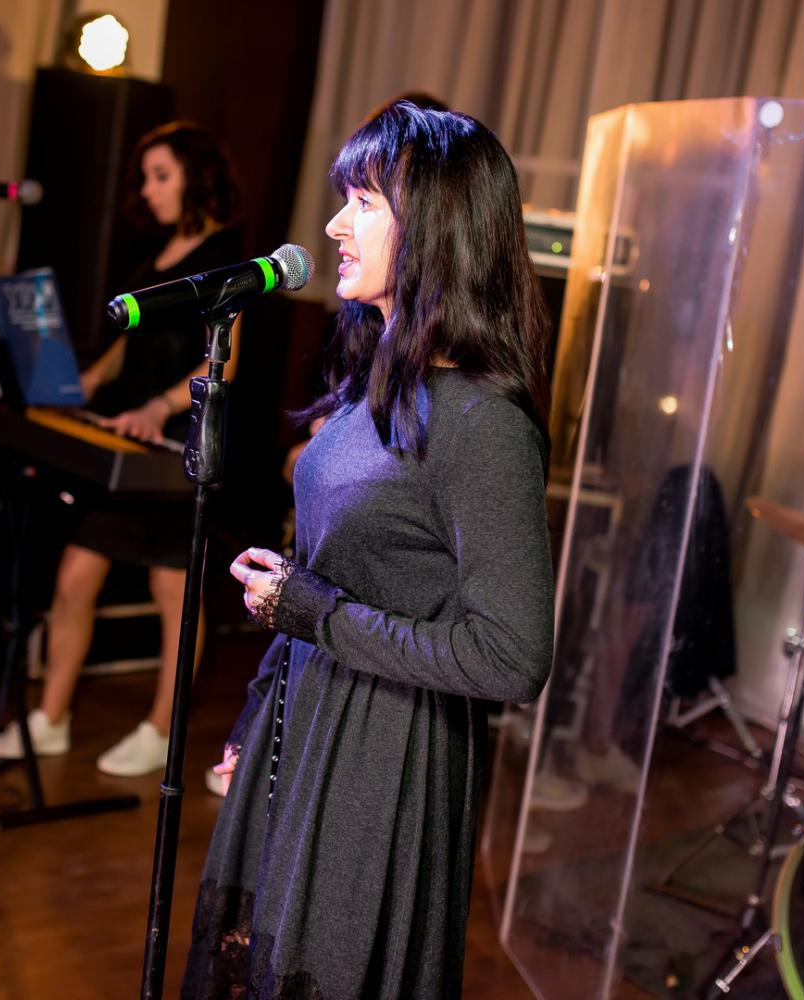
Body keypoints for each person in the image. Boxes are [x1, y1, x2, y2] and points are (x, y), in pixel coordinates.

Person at [182, 102, 555, 998]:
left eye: (363, 202)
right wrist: (257, 718)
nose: (334, 227)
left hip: (385, 763)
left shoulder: (483, 423)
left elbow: (512, 657)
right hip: (307, 719)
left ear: (436, 228)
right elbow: (324, 582)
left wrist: (318, 615)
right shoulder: (376, 383)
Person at [0, 122, 244, 777]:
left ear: (195, 176)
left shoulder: (228, 260)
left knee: (172, 591)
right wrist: (73, 387)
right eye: (145, 178)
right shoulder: (154, 258)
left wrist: (157, 407)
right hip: (126, 446)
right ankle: (51, 718)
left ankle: (161, 730)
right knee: (75, 577)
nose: (148, 190)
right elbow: (126, 351)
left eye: (161, 176)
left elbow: (225, 363)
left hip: (176, 448)